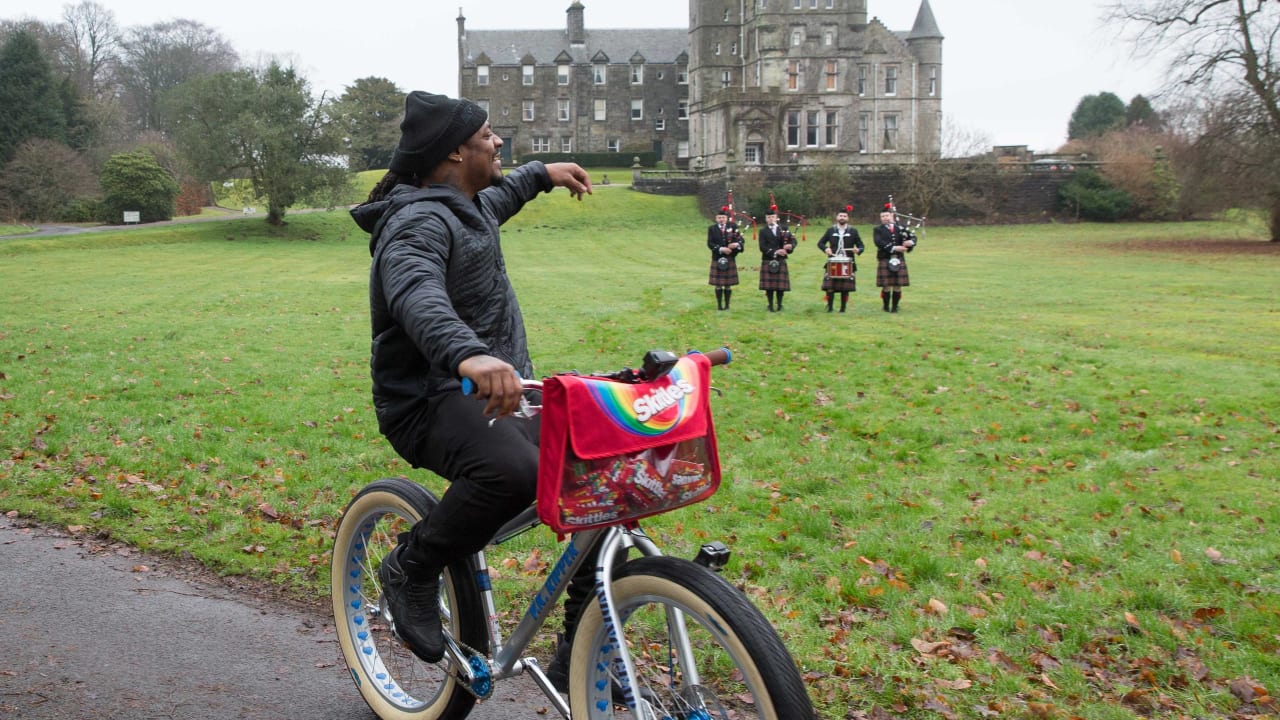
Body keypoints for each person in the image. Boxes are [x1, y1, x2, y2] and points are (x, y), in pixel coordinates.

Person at [349, 91, 595, 690]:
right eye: (487, 135)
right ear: (456, 151)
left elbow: (499, 196)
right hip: (429, 398)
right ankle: (412, 565)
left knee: (597, 467)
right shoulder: (416, 222)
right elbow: (415, 292)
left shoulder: (466, 203)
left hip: (499, 393)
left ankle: (581, 651)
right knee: (512, 475)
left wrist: (542, 175)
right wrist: (469, 353)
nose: (497, 142)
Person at [816, 204, 864, 313]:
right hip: (833, 261)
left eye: (844, 216)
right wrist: (826, 249)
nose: (842, 218)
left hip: (848, 262)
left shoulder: (853, 231)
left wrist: (858, 250)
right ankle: (830, 307)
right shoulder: (831, 230)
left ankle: (843, 308)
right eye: (840, 216)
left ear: (847, 218)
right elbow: (820, 243)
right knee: (830, 287)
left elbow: (861, 245)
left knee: (845, 288)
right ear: (837, 217)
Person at [872, 203, 916, 312]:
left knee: (897, 285)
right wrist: (895, 248)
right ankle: (886, 307)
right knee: (886, 285)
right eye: (882, 216)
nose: (885, 218)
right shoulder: (878, 229)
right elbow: (879, 242)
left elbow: (913, 238)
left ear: (892, 215)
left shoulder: (900, 228)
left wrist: (911, 242)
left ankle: (895, 307)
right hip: (885, 258)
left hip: (899, 258)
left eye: (887, 216)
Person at [758, 205, 795, 312]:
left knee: (780, 286)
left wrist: (790, 247)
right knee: (769, 286)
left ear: (776, 218)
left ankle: (779, 305)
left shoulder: (783, 229)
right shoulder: (763, 231)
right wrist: (775, 252)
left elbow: (793, 241)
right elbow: (762, 246)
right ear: (766, 219)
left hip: (781, 260)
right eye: (768, 217)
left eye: (772, 217)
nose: (771, 219)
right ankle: (770, 305)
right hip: (768, 259)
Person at [706, 205, 744, 310]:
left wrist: (736, 245)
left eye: (723, 218)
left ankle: (727, 305)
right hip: (717, 258)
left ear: (726, 218)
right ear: (716, 218)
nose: (721, 219)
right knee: (718, 285)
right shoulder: (712, 229)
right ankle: (719, 305)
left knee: (728, 285)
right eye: (719, 218)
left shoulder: (733, 227)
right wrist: (721, 249)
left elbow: (741, 240)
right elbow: (710, 243)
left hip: (730, 258)